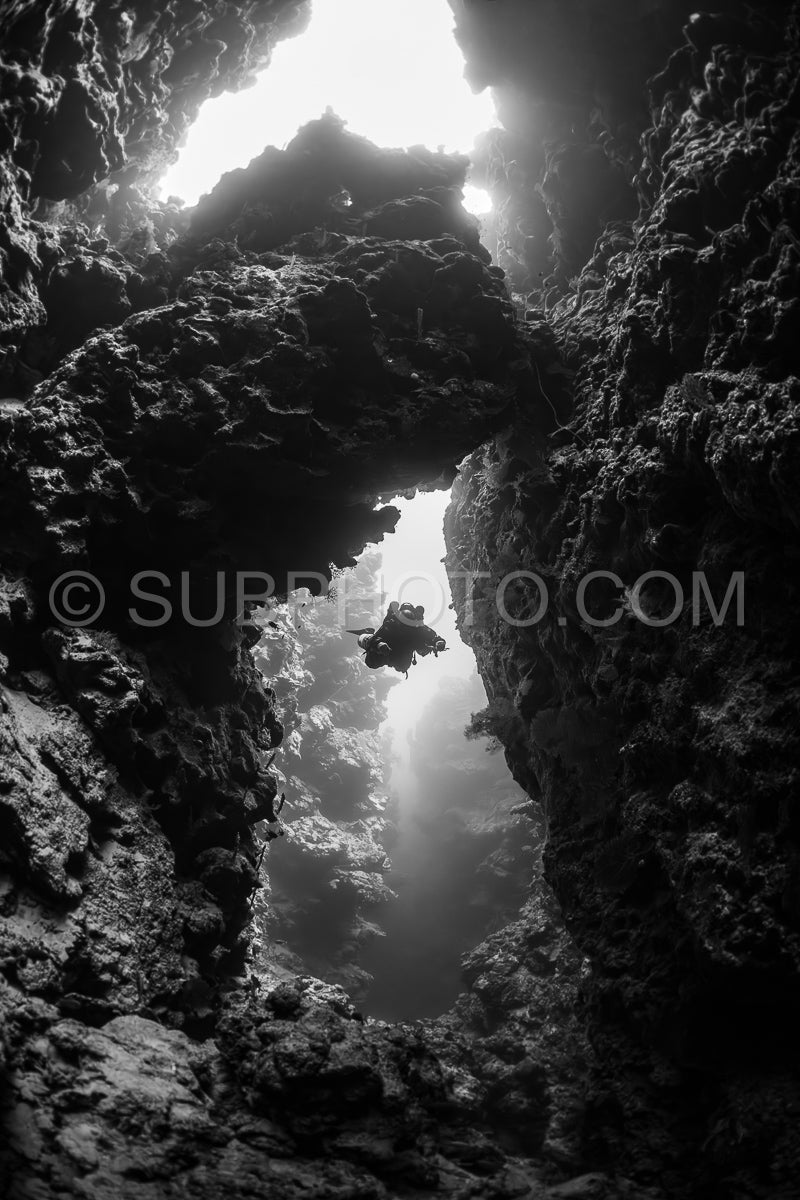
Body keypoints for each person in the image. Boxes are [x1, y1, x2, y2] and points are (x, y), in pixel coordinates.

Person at [349, 601, 446, 675]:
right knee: (372, 663)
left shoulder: (418, 628)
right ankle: (367, 636)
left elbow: (431, 635)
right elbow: (378, 637)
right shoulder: (391, 624)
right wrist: (379, 645)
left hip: (398, 655)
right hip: (385, 649)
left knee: (402, 666)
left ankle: (373, 641)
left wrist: (438, 642)